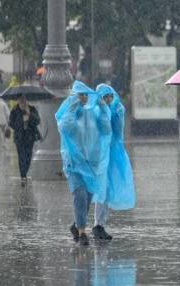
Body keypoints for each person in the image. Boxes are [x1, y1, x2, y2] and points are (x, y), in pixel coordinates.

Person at [56, 80, 111, 246]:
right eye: (80, 94)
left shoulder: (93, 113)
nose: (84, 97)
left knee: (86, 198)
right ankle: (82, 233)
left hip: (91, 164)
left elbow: (106, 129)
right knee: (79, 193)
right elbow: (66, 127)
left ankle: (75, 225)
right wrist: (73, 106)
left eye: (86, 94)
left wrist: (102, 109)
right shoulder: (70, 113)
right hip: (74, 164)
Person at [93, 84, 136, 240]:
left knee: (108, 190)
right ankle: (95, 224)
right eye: (105, 97)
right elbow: (102, 131)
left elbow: (117, 132)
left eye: (110, 96)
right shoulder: (97, 112)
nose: (109, 99)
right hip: (102, 156)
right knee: (101, 190)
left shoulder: (116, 110)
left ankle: (100, 224)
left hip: (113, 155)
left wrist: (117, 114)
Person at [9, 95, 41, 186]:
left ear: (26, 100)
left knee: (28, 156)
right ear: (18, 100)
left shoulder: (32, 109)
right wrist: (21, 121)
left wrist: (29, 115)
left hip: (29, 136)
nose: (22, 101)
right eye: (21, 99)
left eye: (24, 99)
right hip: (19, 137)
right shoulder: (14, 110)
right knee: (21, 156)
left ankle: (25, 171)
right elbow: (11, 123)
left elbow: (38, 121)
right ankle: (23, 175)